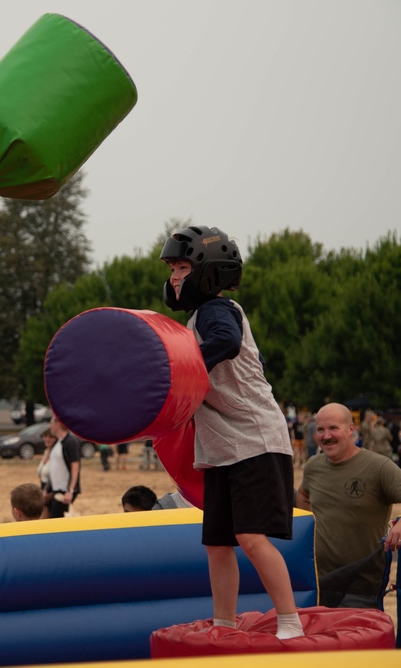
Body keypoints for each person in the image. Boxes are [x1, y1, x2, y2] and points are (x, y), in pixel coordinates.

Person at [160, 225, 303, 639]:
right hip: (223, 446)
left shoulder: (217, 312)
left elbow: (226, 341)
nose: (174, 276)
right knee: (218, 543)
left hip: (255, 440)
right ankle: (224, 622)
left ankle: (289, 620)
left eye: (181, 266)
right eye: (171, 267)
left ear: (207, 271)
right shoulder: (195, 317)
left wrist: (179, 367)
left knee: (250, 536)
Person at [296, 403, 401, 609]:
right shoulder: (313, 467)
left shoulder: (378, 467)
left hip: (362, 584)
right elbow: (303, 494)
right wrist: (307, 529)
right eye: (321, 430)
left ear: (351, 430)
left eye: (334, 428)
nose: (326, 436)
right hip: (318, 582)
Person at [45, 415, 82, 519]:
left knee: (56, 520)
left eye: (52, 423)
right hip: (56, 490)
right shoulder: (58, 443)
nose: (50, 426)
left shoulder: (70, 442)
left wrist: (70, 490)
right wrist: (47, 489)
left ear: (58, 424)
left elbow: (75, 466)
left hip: (64, 490)